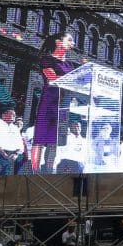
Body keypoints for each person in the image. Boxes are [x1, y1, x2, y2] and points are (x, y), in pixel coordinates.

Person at [32, 32, 78, 173]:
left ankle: (49, 170)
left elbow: (76, 82)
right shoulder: (47, 60)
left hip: (63, 105)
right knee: (40, 140)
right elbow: (52, 78)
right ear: (58, 43)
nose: (73, 43)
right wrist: (71, 80)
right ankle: (34, 170)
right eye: (69, 40)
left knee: (54, 142)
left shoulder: (70, 64)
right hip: (49, 103)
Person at [0, 106, 24, 176]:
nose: (14, 116)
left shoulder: (15, 128)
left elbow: (20, 145)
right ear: (4, 114)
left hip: (11, 157)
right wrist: (5, 155)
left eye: (14, 115)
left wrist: (16, 154)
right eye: (12, 114)